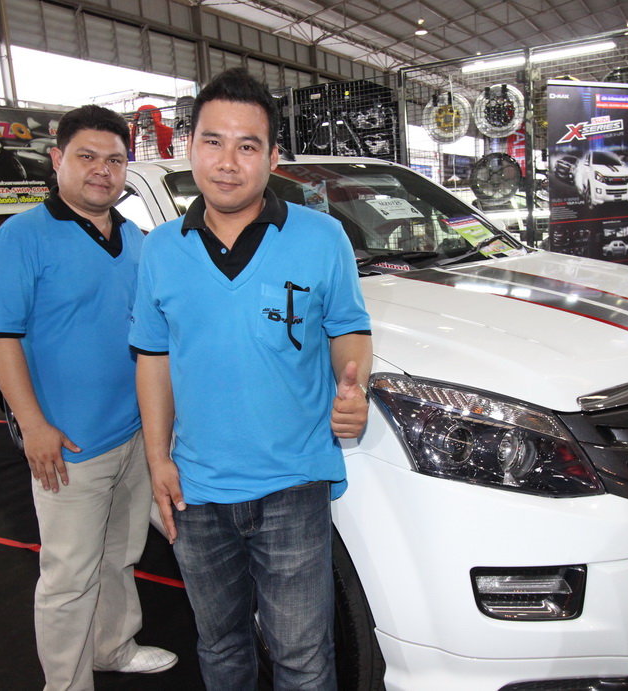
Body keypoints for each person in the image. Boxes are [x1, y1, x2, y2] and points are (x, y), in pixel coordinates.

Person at [130, 68, 373, 690]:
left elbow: (348, 327)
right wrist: (157, 459)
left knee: (303, 657)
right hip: (197, 490)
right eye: (213, 141)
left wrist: (356, 390)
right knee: (221, 647)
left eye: (247, 145)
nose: (228, 162)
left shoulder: (322, 238)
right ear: (191, 147)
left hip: (294, 483)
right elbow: (153, 357)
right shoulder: (160, 250)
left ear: (272, 157)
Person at [0, 104, 176, 690]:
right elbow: (1, 337)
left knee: (120, 555)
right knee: (68, 574)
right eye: (87, 156)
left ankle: (112, 647)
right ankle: (65, 683)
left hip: (136, 434)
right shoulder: (21, 237)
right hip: (69, 444)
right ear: (57, 160)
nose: (102, 170)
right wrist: (33, 425)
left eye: (114, 160)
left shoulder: (135, 238)